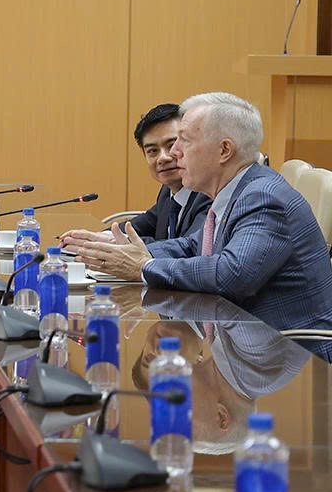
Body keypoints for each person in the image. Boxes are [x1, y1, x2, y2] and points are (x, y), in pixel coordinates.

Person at [77, 92, 332, 334]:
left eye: (184, 141)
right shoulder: (237, 190)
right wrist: (123, 251)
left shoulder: (263, 197)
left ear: (224, 150)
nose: (174, 152)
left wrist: (145, 266)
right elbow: (193, 246)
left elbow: (232, 274)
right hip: (243, 341)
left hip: (289, 353)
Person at [61, 103, 210, 247]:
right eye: (152, 151)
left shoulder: (208, 193)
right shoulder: (167, 193)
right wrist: (94, 238)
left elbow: (189, 247)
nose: (163, 158)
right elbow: (140, 225)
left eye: (171, 145)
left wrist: (115, 242)